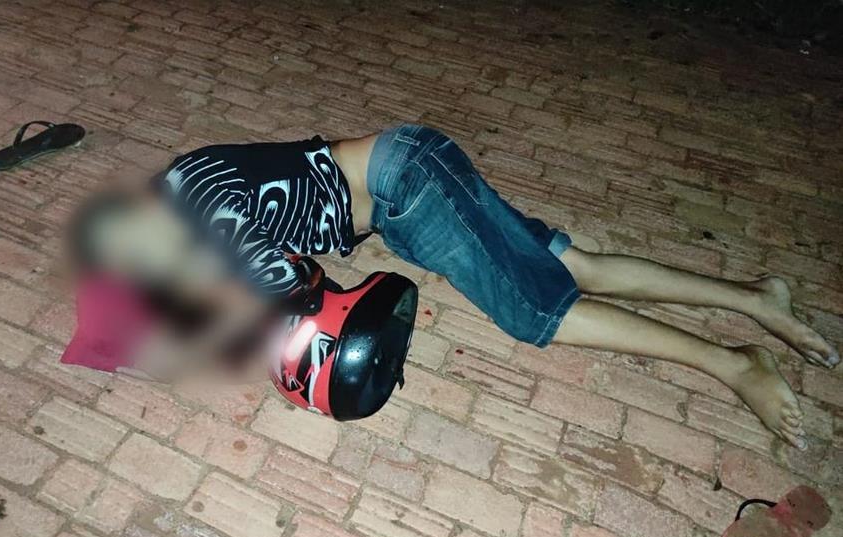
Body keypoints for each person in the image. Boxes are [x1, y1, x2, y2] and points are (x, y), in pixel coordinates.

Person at [69, 124, 839, 449]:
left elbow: (304, 307)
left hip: (408, 188)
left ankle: (735, 362)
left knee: (537, 312)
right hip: (406, 175)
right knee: (579, 266)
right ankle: (756, 296)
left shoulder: (207, 217)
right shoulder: (180, 199)